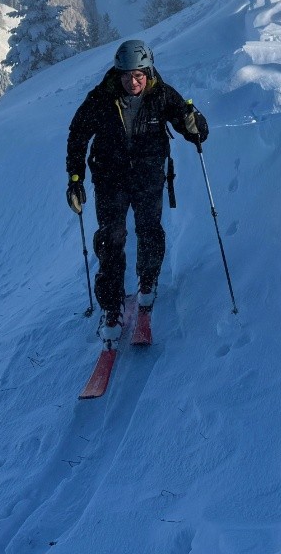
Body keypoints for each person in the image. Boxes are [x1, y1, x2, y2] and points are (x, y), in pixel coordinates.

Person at [66, 39, 208, 345]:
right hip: (110, 178)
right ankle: (111, 304)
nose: (133, 82)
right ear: (118, 74)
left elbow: (194, 128)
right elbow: (77, 134)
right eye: (127, 76)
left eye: (139, 75)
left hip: (147, 176)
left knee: (148, 230)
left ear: (148, 72)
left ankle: (148, 279)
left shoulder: (162, 94)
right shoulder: (100, 99)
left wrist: (195, 125)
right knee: (110, 238)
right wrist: (75, 179)